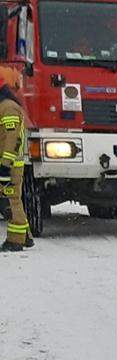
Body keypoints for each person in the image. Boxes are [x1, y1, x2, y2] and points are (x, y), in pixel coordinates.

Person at [0, 65, 30, 251]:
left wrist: (4, 166)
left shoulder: (8, 108)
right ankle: (26, 236)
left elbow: (12, 140)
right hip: (8, 163)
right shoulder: (5, 106)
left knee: (13, 201)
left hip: (10, 164)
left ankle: (16, 240)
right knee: (13, 200)